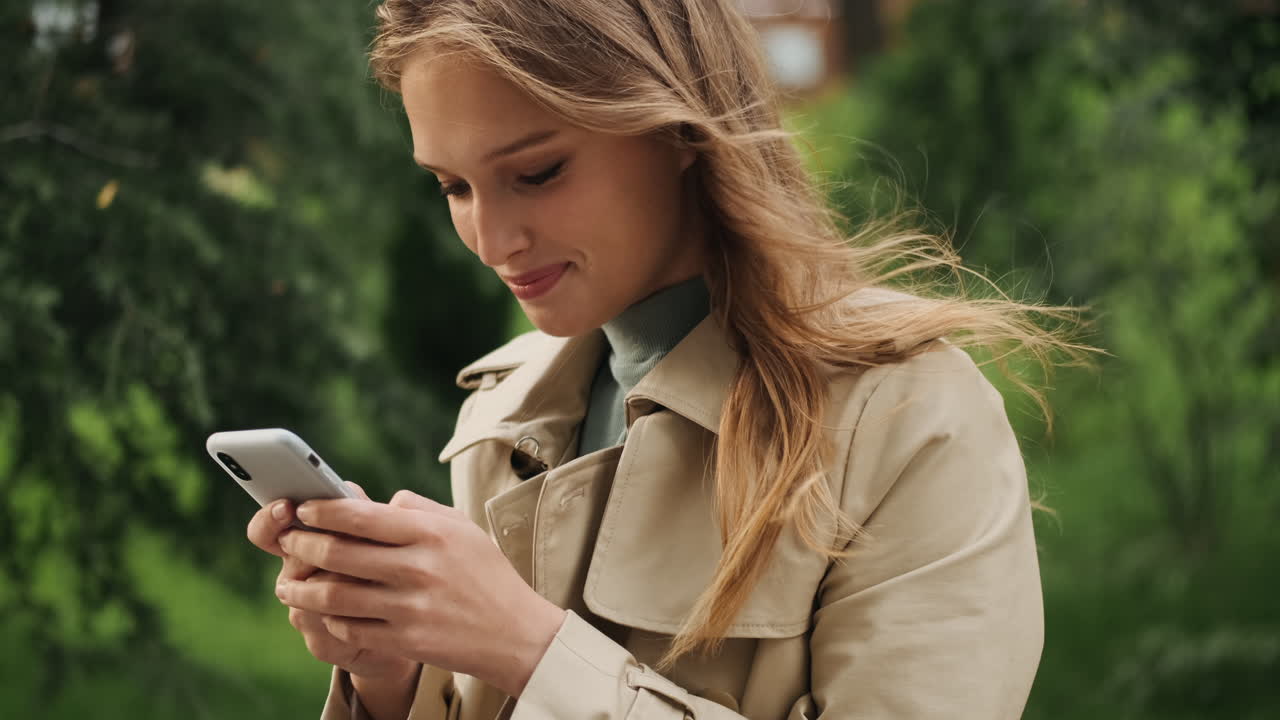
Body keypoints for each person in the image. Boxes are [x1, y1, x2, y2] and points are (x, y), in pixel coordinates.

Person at [246, 1, 1085, 718]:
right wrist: (391, 676)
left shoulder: (907, 420)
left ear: (678, 124)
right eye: (453, 187)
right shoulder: (502, 419)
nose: (492, 241)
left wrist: (530, 648)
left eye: (536, 172)